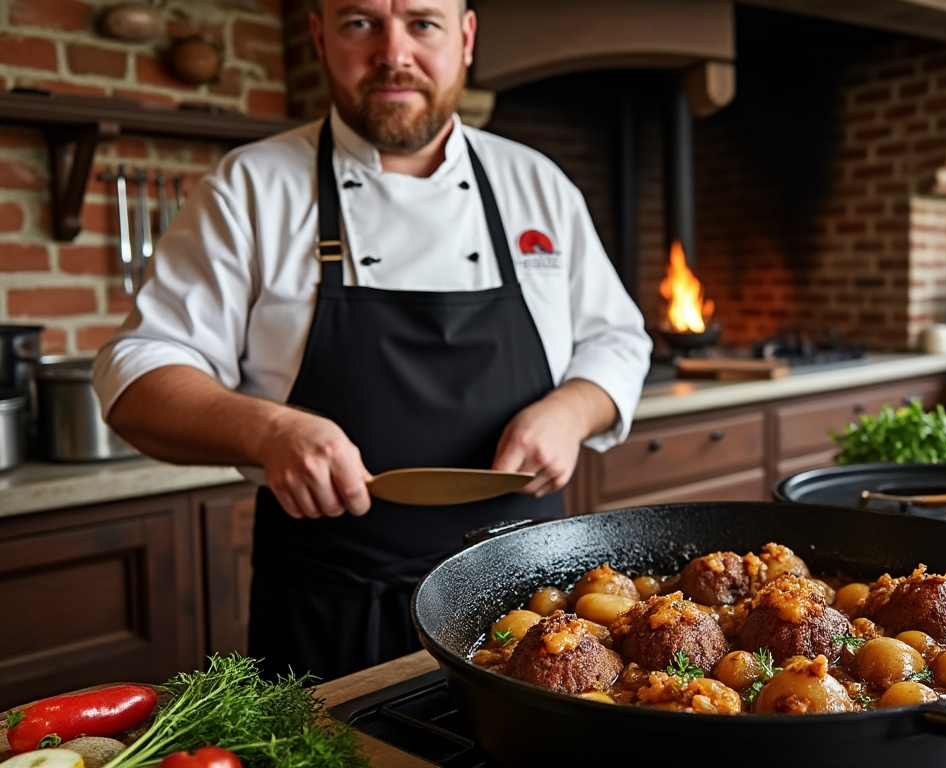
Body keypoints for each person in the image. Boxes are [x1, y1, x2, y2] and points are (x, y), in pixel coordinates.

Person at [92, 0, 651, 681]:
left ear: (465, 38)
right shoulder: (251, 186)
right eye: (361, 22)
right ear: (320, 36)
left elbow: (616, 339)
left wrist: (573, 410)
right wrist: (268, 430)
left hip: (531, 612)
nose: (393, 52)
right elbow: (139, 372)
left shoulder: (537, 184)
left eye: (422, 23)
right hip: (329, 609)